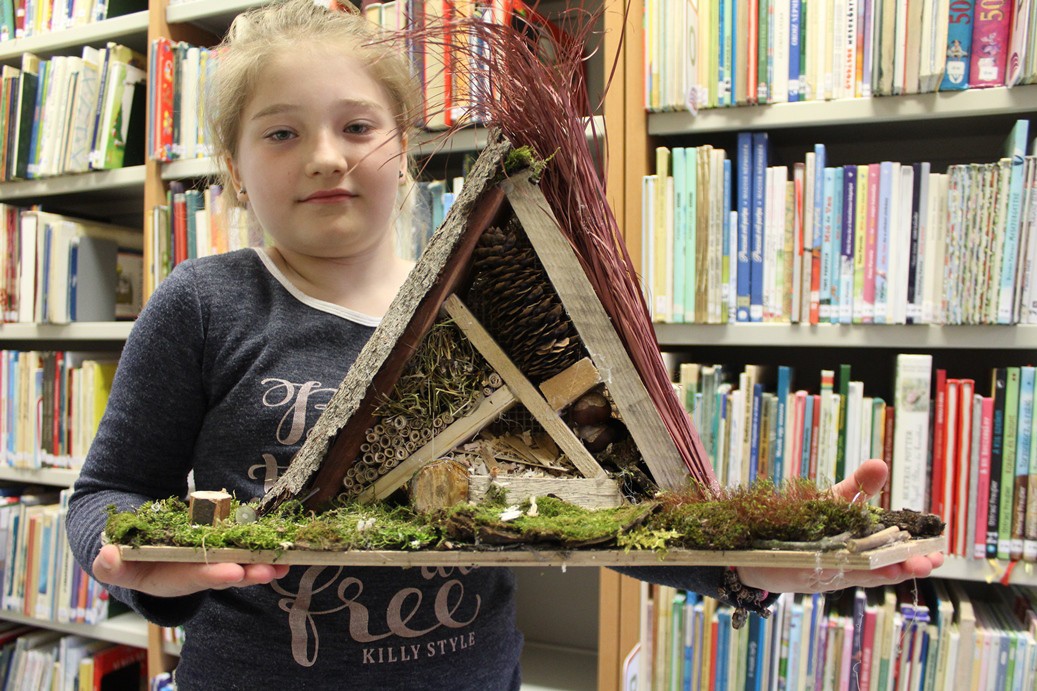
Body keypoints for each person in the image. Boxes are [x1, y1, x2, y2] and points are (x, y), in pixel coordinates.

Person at [65, 1, 942, 688]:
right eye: (281, 132)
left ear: (406, 148)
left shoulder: (484, 305)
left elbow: (624, 508)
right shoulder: (204, 304)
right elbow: (106, 492)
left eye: (358, 126)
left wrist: (762, 564)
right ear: (232, 167)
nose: (326, 157)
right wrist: (134, 561)